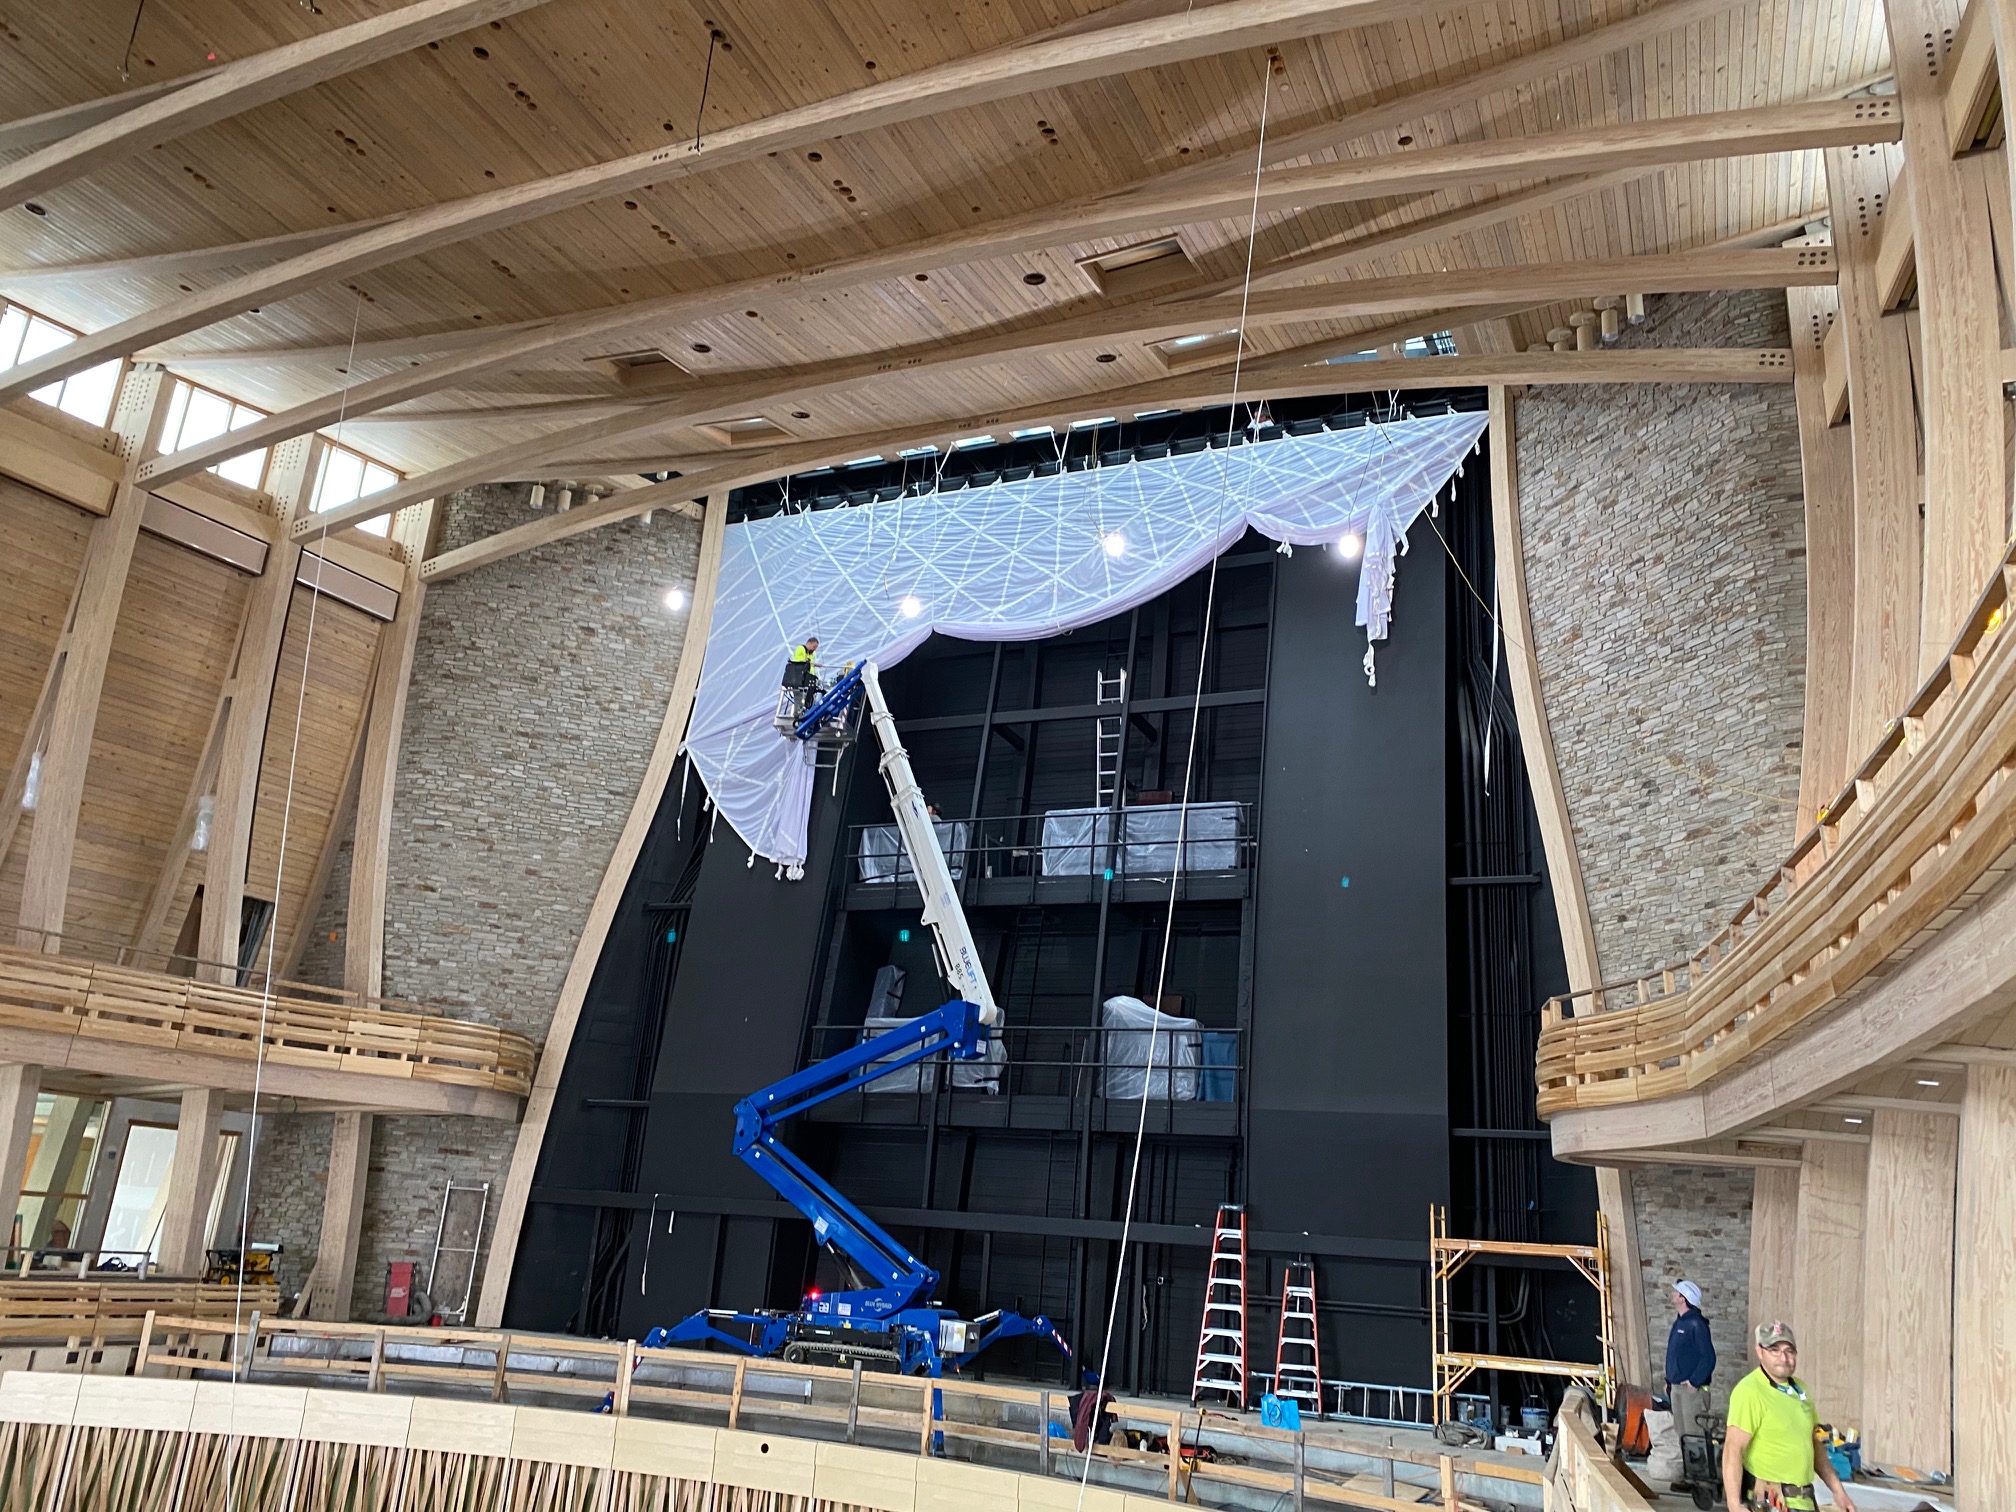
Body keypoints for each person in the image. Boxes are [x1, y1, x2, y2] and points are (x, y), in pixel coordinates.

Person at [1722, 1321, 1856, 1512]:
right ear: (1760, 1351)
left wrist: (1838, 1491)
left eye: (1789, 1350)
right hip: (1772, 1501)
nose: (1783, 1358)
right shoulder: (1749, 1391)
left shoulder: (1801, 1389)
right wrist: (1734, 1504)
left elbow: (1814, 1443)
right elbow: (1732, 1449)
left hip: (1804, 1500)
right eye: (1774, 1350)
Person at [1665, 1278, 1717, 1449]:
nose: (1673, 1294)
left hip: (1691, 1391)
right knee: (1681, 1433)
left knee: (1694, 1435)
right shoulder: (1680, 1322)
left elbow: (1708, 1357)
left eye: (1677, 1292)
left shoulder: (1696, 1324)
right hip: (1677, 1387)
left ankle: (1698, 1472)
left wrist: (1695, 1381)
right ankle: (1688, 1472)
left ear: (1683, 1298)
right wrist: (1669, 1381)